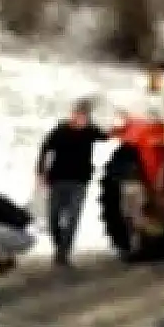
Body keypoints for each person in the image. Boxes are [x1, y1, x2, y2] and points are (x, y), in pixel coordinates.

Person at [37, 98, 113, 268]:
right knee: (53, 218)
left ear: (87, 118)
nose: (80, 120)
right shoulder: (60, 131)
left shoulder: (90, 132)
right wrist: (41, 172)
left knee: (72, 218)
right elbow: (45, 148)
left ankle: (63, 253)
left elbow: (106, 136)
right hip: (57, 180)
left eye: (83, 117)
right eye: (77, 115)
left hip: (79, 182)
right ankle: (59, 245)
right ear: (72, 115)